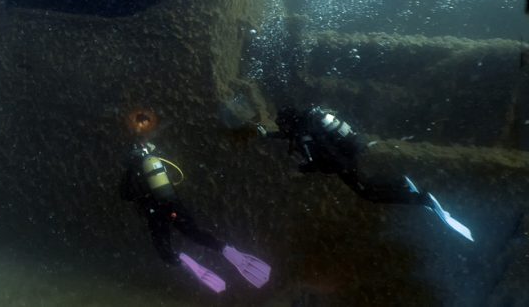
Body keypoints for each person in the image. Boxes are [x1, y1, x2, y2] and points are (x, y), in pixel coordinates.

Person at [259, 105, 473, 241]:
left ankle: (421, 199)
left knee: (367, 193)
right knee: (368, 184)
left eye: (283, 126)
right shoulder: (309, 124)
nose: (284, 130)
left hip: (341, 164)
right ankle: (400, 182)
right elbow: (290, 137)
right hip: (348, 155)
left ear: (289, 123)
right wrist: (268, 135)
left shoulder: (303, 136)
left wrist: (302, 168)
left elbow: (314, 162)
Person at [120, 110, 271, 294]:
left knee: (165, 251)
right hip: (173, 204)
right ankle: (226, 249)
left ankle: (184, 261)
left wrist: (130, 174)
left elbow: (125, 194)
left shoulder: (133, 167)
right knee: (195, 233)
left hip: (154, 211)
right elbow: (175, 177)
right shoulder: (156, 156)